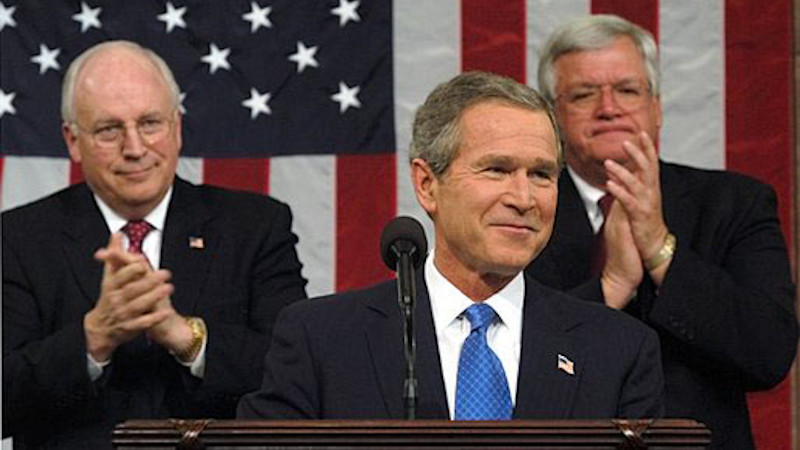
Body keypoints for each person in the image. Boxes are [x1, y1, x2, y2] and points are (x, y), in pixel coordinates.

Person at [237, 71, 664, 421]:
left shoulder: (618, 349)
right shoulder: (322, 339)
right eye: (497, 169)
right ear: (427, 185)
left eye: (541, 174)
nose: (523, 198)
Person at [2, 41, 308, 449]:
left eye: (150, 123)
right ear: (72, 141)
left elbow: (296, 375)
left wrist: (186, 337)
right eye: (109, 130)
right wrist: (93, 337)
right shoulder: (18, 237)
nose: (134, 148)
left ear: (177, 127)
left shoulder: (254, 227)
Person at [525, 15, 798, 449]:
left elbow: (768, 353)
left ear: (657, 107)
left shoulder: (735, 203)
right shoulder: (521, 210)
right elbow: (510, 357)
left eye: (628, 90)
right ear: (552, 116)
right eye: (583, 94)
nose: (609, 107)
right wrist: (610, 289)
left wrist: (659, 250)